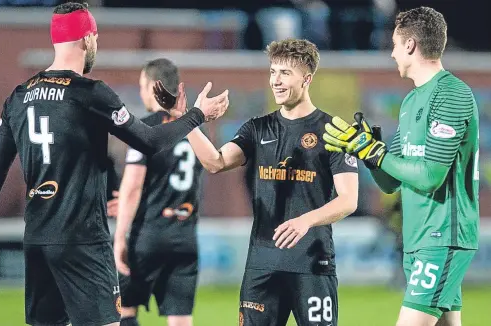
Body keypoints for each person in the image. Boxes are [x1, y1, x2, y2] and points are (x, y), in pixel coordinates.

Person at [0, 3, 228, 326]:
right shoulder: (91, 93)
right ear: (87, 39)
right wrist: (198, 114)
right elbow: (148, 140)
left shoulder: (18, 96)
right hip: (83, 241)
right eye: (96, 38)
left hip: (37, 241)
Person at [154, 38, 359, 326]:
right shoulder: (257, 128)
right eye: (273, 72)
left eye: (285, 73)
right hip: (262, 265)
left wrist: (306, 221)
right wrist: (185, 119)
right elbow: (215, 162)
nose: (275, 80)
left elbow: (349, 199)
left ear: (307, 78)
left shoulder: (333, 131)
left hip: (312, 265)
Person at [323, 7, 479, 326]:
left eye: (394, 44)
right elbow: (390, 182)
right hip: (418, 239)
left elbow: (430, 177)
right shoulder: (410, 102)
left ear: (410, 46)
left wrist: (377, 153)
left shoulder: (451, 95)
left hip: (442, 237)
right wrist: (367, 152)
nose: (391, 53)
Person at [110, 58, 204, 326]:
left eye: (142, 85)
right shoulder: (196, 129)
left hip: (148, 235)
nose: (140, 92)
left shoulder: (144, 127)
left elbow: (132, 187)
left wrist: (119, 236)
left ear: (153, 87)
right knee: (180, 319)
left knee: (125, 310)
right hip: (185, 236)